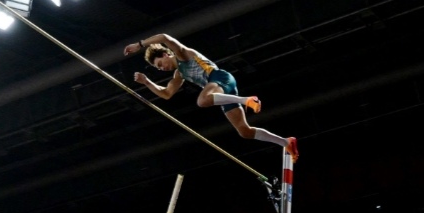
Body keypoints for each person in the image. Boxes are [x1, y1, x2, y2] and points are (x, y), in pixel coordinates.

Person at [123, 34, 299, 164]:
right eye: (158, 69)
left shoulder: (182, 54)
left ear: (165, 55)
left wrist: (140, 44)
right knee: (244, 131)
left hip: (220, 78)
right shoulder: (179, 74)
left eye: (160, 64)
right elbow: (167, 93)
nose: (161, 69)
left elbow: (164, 37)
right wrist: (147, 82)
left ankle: (247, 100)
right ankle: (286, 142)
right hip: (220, 92)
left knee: (202, 100)